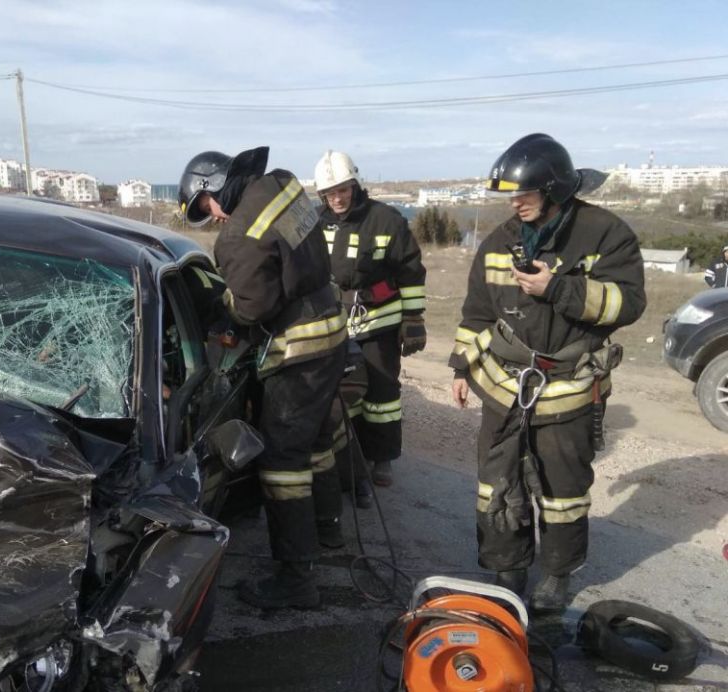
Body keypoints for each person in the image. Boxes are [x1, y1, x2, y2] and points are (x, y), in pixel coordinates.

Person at [450, 133, 646, 613]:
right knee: (497, 479)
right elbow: (477, 310)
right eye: (512, 195)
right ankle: (506, 567)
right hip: (504, 385)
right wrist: (460, 366)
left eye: (526, 194)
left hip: (569, 387)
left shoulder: (604, 234)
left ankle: (557, 574)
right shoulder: (500, 242)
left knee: (562, 489)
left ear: (556, 189)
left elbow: (629, 303)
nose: (516, 204)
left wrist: (559, 289)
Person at [179, 146, 347, 609]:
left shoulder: (235, 238)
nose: (212, 218)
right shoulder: (283, 184)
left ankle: (296, 580)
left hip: (298, 352)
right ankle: (329, 529)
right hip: (332, 332)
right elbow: (289, 257)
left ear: (213, 186)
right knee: (316, 442)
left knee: (281, 463)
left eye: (206, 206)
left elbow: (251, 307)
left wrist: (221, 308)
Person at [314, 151, 426, 500]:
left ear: (354, 185)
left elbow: (410, 272)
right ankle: (352, 456)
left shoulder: (386, 220)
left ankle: (383, 458)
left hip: (380, 322)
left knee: (382, 394)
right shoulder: (315, 224)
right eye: (330, 192)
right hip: (335, 325)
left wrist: (413, 319)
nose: (337, 197)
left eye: (343, 189)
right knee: (346, 395)